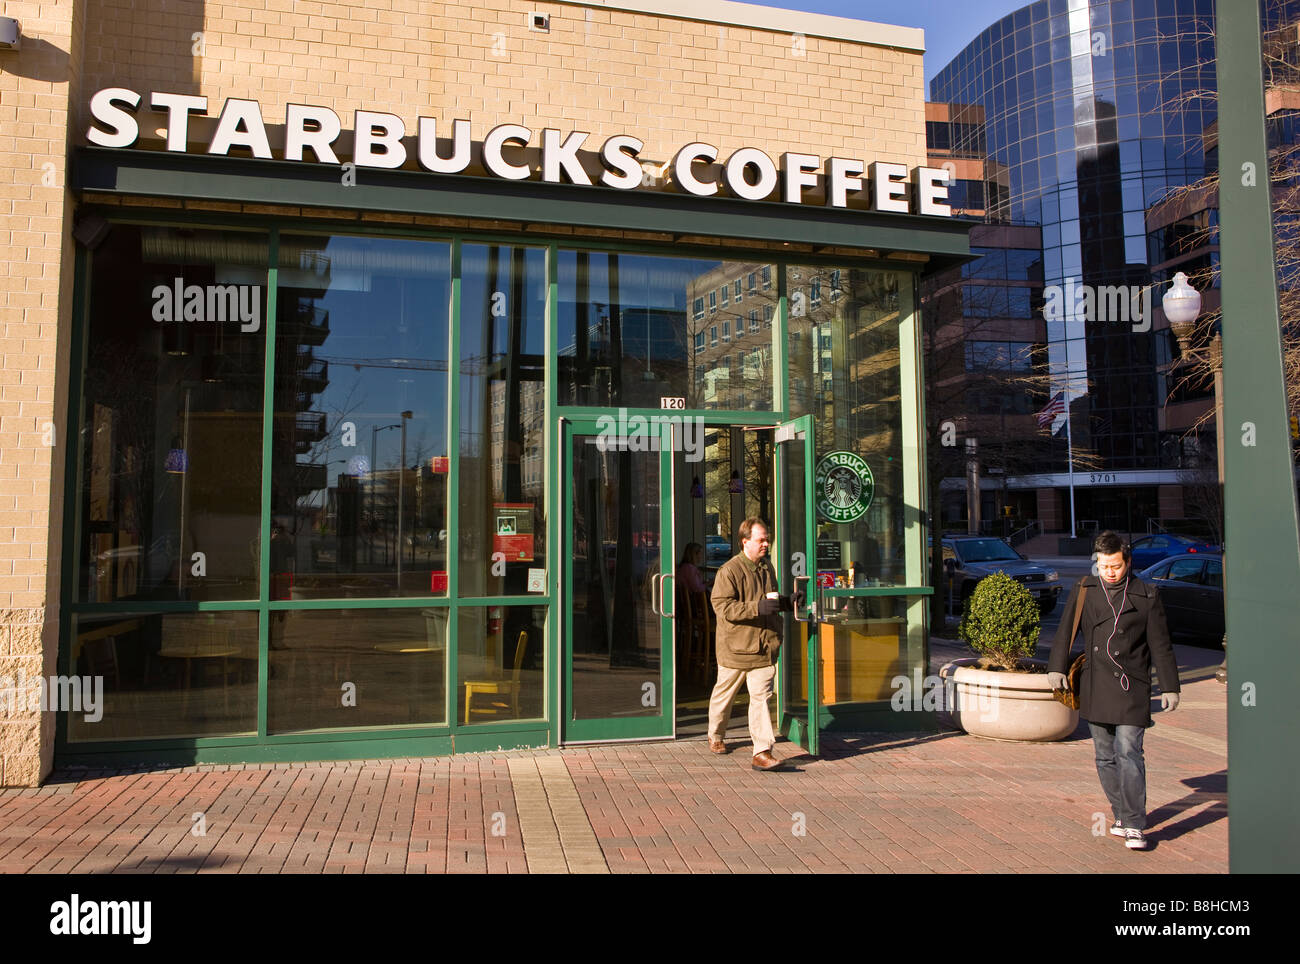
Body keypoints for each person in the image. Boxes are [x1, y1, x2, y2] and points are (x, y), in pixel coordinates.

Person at [1047, 530, 1181, 850]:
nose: (1109, 572)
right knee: (1105, 756)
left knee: (1129, 751)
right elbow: (1066, 631)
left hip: (1132, 686)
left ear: (1128, 562)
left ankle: (1135, 823)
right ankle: (1120, 813)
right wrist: (1055, 668)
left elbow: (1161, 646)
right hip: (1096, 683)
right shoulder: (1085, 589)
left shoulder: (1147, 595)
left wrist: (1171, 686)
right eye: (1104, 565)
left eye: (1116, 566)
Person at [707, 517, 794, 771]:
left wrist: (788, 602)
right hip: (736, 648)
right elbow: (722, 607)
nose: (766, 544)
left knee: (761, 698)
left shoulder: (767, 568)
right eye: (761, 540)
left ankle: (762, 751)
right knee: (725, 695)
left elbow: (771, 601)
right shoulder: (730, 571)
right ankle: (716, 734)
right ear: (745, 542)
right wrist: (756, 607)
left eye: (767, 539)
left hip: (764, 647)